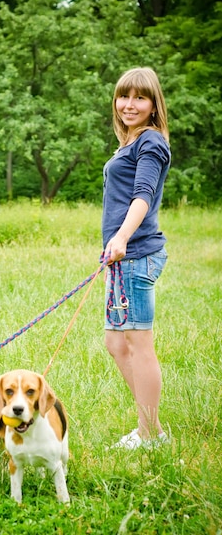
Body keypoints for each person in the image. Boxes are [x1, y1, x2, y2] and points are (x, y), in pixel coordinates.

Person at [102, 66, 171, 449]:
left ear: (153, 104)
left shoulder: (151, 143)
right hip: (121, 259)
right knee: (116, 342)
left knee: (139, 343)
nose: (129, 104)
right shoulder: (131, 143)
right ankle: (153, 429)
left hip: (136, 255)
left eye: (139, 97)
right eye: (124, 96)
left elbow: (142, 194)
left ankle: (149, 433)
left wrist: (122, 238)